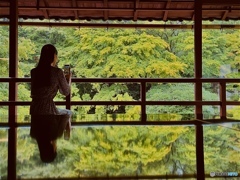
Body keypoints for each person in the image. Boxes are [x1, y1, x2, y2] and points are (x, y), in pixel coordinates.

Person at [30, 44, 72, 163]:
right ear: (53, 56)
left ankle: (67, 132)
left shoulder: (34, 72)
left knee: (65, 113)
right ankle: (68, 132)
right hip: (49, 109)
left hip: (35, 108)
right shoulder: (57, 72)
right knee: (68, 112)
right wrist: (68, 79)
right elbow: (65, 92)